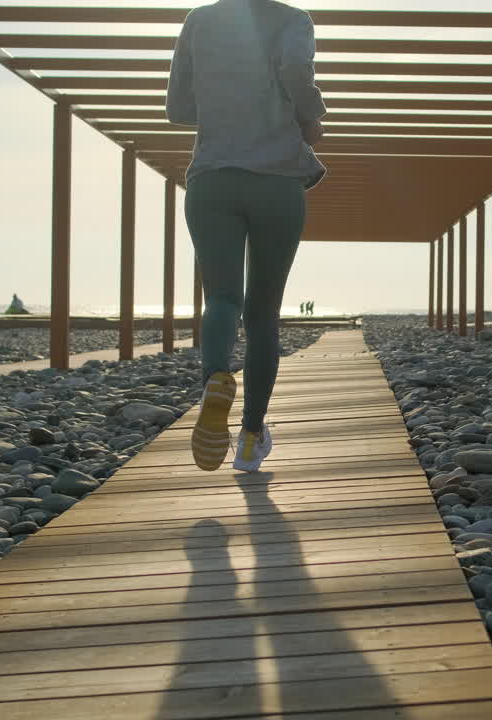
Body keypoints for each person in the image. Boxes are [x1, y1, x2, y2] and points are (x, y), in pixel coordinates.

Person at [168, 0, 326, 473]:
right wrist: (310, 115)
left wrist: (224, 104)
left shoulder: (198, 19)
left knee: (220, 298)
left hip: (212, 179)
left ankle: (216, 378)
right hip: (277, 182)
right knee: (263, 314)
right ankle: (251, 437)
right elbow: (296, 68)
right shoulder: (293, 19)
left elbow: (178, 109)